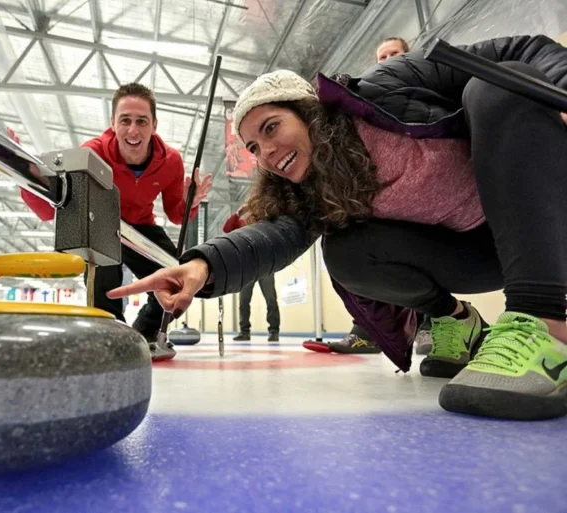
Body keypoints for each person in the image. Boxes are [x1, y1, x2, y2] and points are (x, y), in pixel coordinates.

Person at [108, 35, 567, 421]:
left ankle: (549, 325)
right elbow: (270, 236)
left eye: (271, 127)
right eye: (253, 146)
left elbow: (522, 46)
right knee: (347, 252)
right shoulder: (308, 188)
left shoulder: (386, 87)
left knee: (497, 87)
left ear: (306, 111)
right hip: (480, 254)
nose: (266, 152)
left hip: (544, 221)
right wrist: (202, 266)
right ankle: (457, 321)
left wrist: (560, 90)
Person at [21, 83, 213, 342]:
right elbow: (52, 210)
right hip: (103, 224)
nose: (133, 130)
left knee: (177, 277)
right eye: (125, 120)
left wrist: (191, 204)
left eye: (142, 121)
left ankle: (142, 335)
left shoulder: (171, 161)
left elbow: (176, 214)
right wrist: (29, 180)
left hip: (142, 228)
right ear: (113, 122)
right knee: (105, 290)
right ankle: (110, 338)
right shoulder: (92, 154)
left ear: (154, 125)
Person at [331, 35, 431, 356]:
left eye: (395, 54)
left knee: (425, 249)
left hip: (430, 195)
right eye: (382, 56)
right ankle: (368, 328)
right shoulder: (366, 104)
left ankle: (435, 324)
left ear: (409, 56)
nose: (387, 60)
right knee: (348, 244)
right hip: (385, 199)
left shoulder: (431, 89)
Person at [223, 205, 280, 341]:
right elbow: (226, 229)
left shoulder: (267, 224)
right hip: (248, 267)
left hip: (266, 266)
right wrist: (238, 213)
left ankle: (274, 331)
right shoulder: (242, 225)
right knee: (244, 301)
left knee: (271, 299)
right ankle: (244, 332)